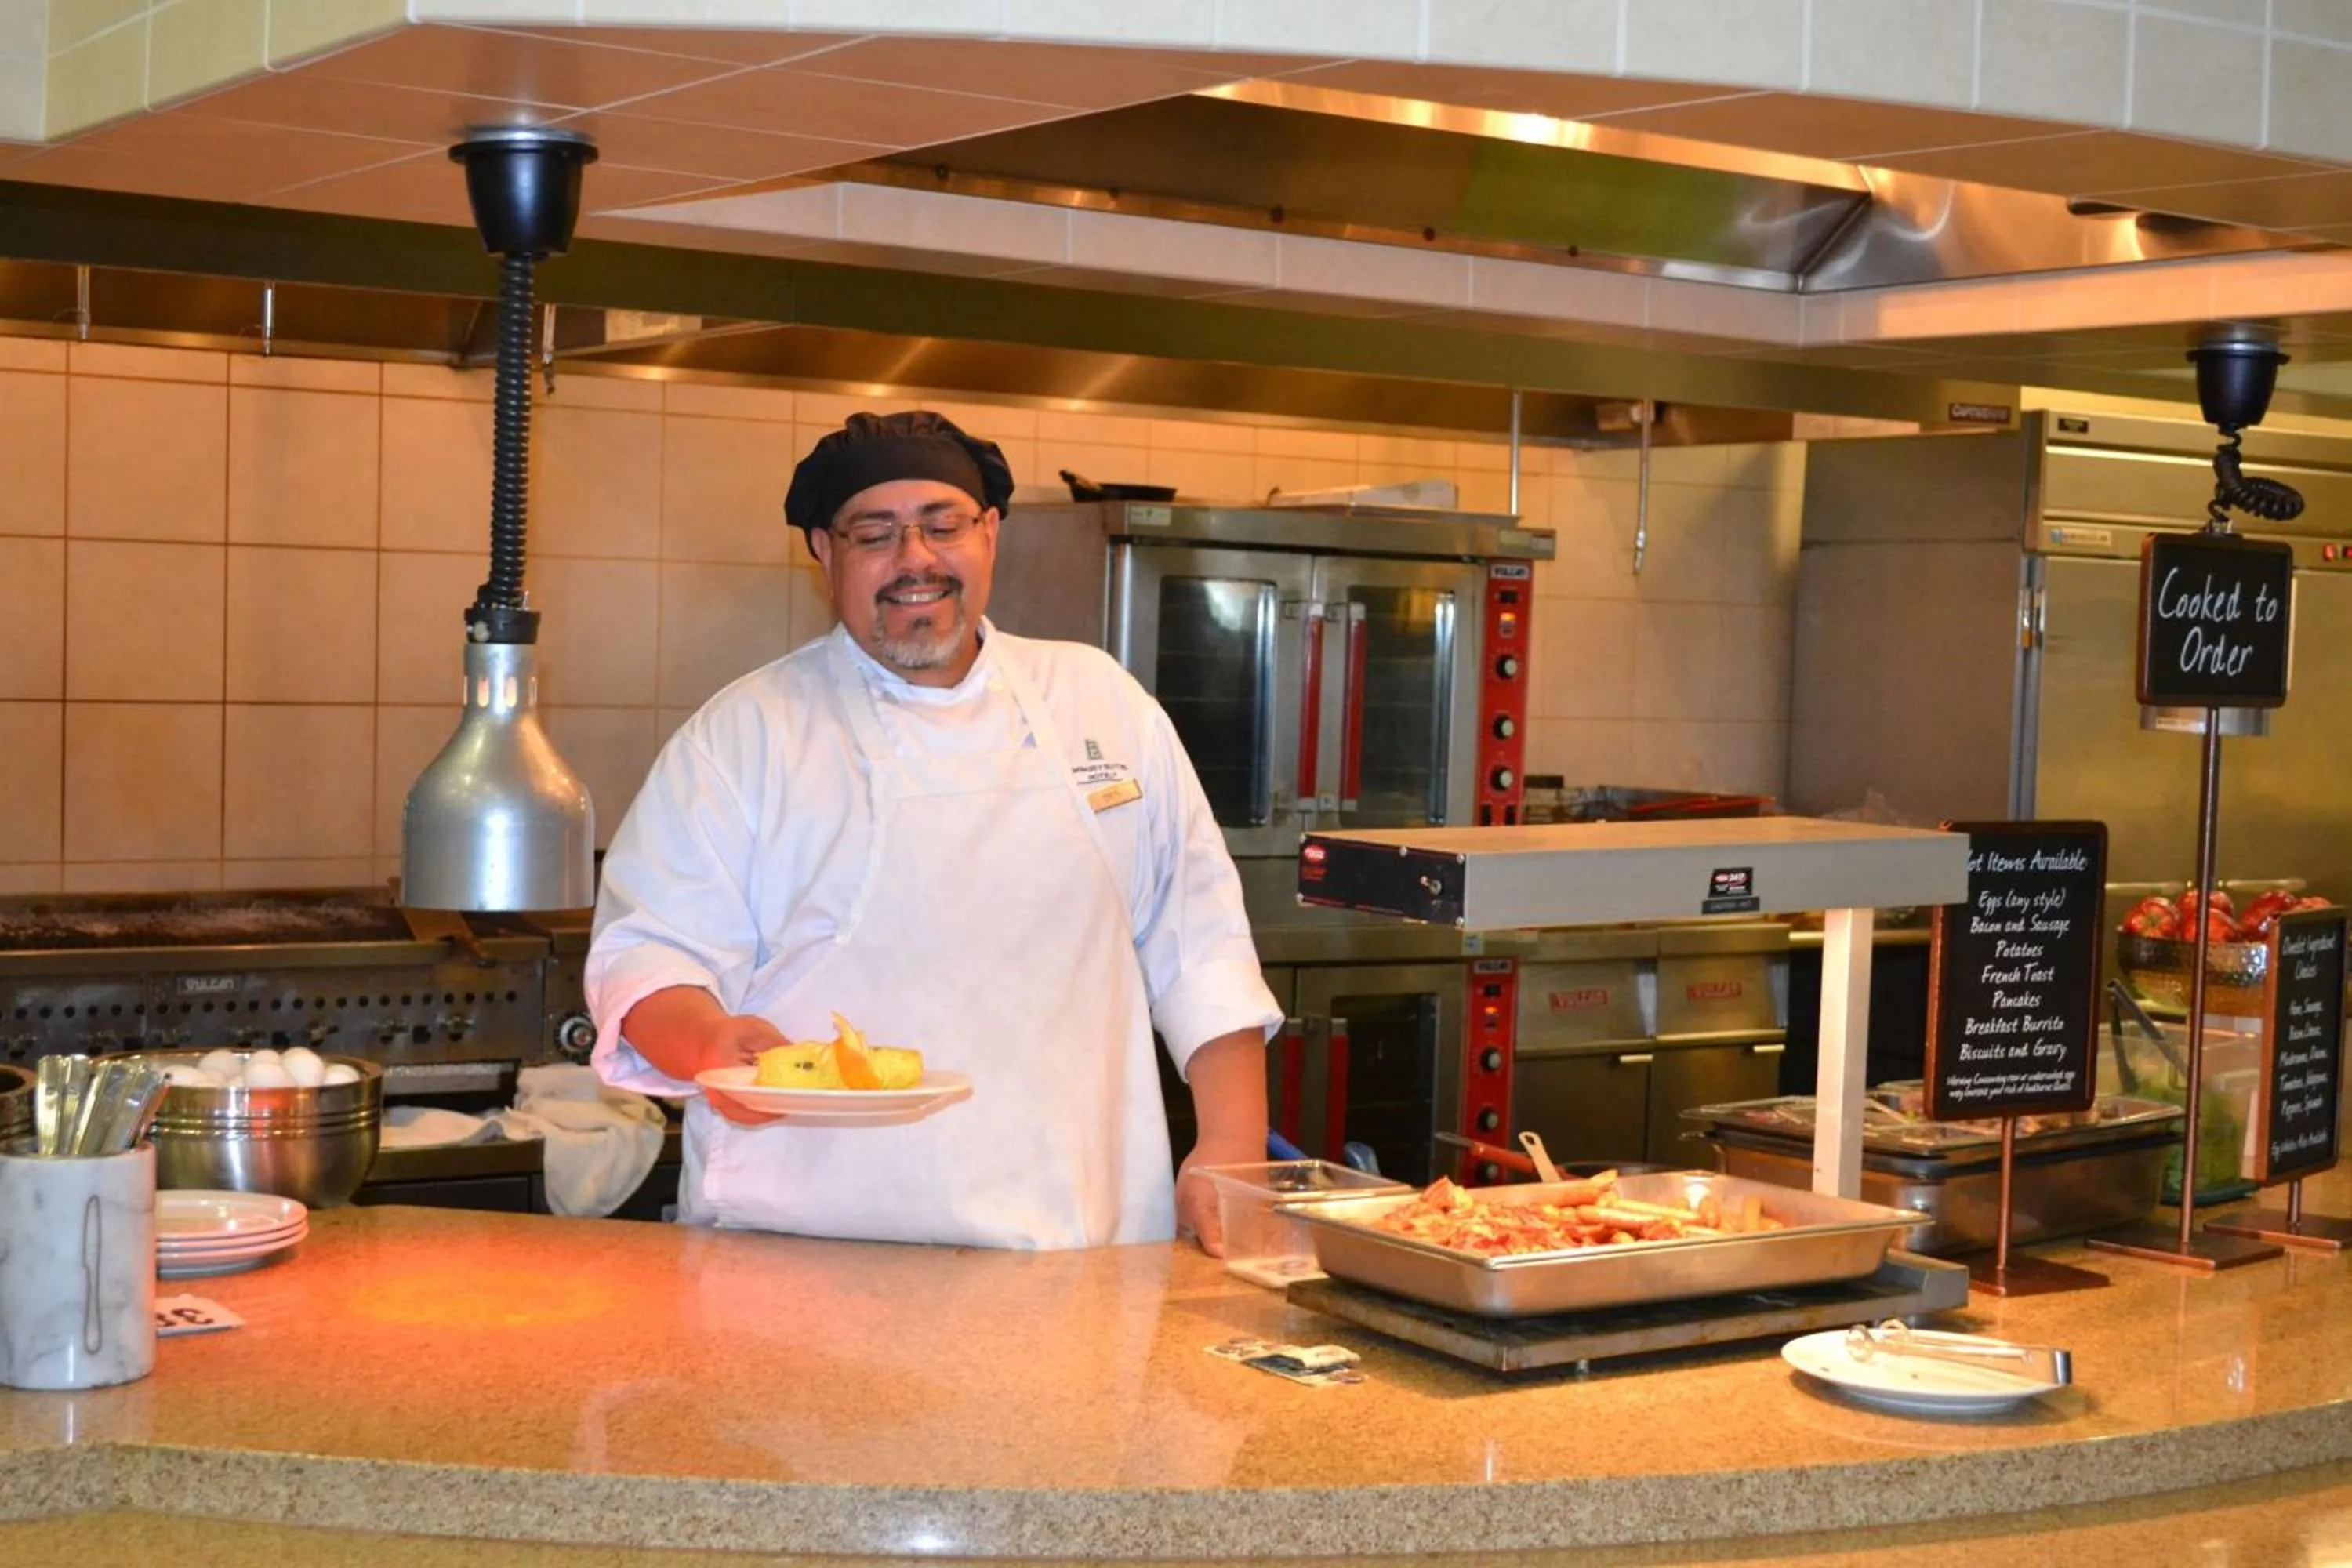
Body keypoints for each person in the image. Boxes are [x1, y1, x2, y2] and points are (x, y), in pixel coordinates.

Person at [585, 410, 1281, 1252]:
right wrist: (706, 1042)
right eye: (874, 532)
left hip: (1079, 1250)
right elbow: (649, 950)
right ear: (823, 550)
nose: (914, 559)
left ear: (990, 532)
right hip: (805, 1261)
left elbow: (1200, 937)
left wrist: (1233, 1147)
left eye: (943, 524)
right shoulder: (747, 735)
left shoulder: (1099, 700)